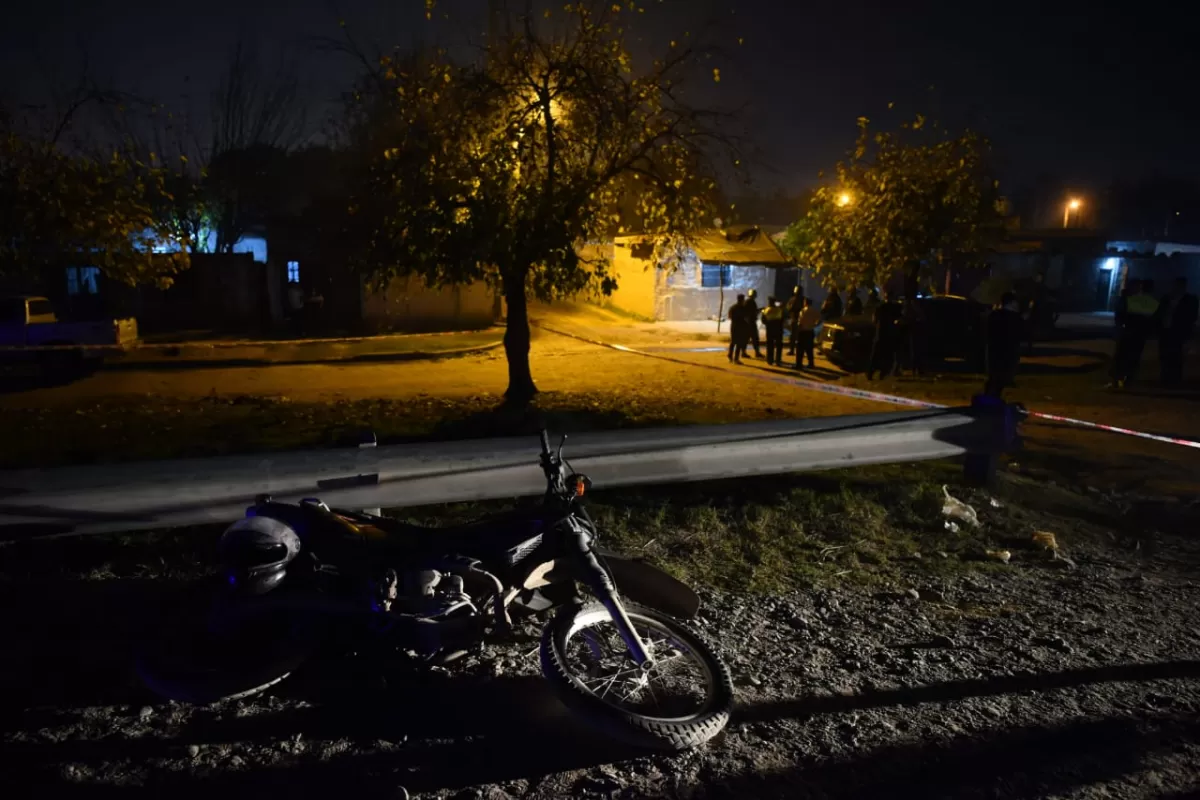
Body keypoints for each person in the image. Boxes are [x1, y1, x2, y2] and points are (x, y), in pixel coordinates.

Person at [1110, 279, 1159, 388]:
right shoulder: (1146, 301)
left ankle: (1120, 378)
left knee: (1125, 356)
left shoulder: (1130, 300)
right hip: (1135, 333)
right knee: (1129, 357)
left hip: (1132, 333)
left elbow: (1120, 316)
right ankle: (1124, 379)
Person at [1158, 277, 1199, 387]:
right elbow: (1160, 313)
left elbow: (1191, 316)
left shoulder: (1189, 300)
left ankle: (1174, 380)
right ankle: (1165, 379)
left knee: (1176, 357)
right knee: (1165, 356)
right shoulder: (1167, 298)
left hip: (1178, 332)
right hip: (1166, 331)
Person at [984, 292, 1024, 397]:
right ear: (1011, 303)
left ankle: (990, 400)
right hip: (1007, 355)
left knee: (995, 380)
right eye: (1015, 303)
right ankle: (993, 402)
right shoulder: (1014, 318)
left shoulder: (994, 315)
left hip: (994, 353)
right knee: (1000, 380)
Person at [866, 292, 902, 380]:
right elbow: (899, 319)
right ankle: (882, 373)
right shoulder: (895, 307)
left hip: (880, 333)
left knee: (876, 355)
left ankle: (871, 373)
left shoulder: (880, 307)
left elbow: (874, 319)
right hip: (889, 334)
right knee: (887, 355)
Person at [794, 296, 822, 369]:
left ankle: (799, 364)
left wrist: (798, 330)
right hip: (810, 331)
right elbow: (819, 319)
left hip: (803, 331)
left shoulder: (803, 311)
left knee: (800, 350)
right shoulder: (814, 311)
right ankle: (811, 364)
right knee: (809, 349)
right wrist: (814, 324)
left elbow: (800, 322)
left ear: (805, 303)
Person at [762, 296, 786, 366]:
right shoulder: (779, 310)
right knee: (779, 345)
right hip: (778, 329)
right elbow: (782, 320)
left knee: (770, 345)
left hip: (770, 329)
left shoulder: (766, 310)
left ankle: (770, 360)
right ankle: (778, 360)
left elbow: (763, 321)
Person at [727, 294, 749, 363]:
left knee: (733, 341)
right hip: (740, 326)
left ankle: (730, 355)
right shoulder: (743, 308)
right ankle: (736, 359)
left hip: (733, 326)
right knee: (739, 343)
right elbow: (746, 316)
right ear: (742, 300)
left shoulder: (732, 307)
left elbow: (729, 316)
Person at [785, 286, 805, 355]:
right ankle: (798, 351)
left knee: (794, 336)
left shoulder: (793, 299)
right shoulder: (802, 299)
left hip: (795, 319)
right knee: (799, 336)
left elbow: (789, 308)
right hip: (800, 320)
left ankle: (792, 350)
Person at [744, 289, 762, 358]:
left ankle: (744, 352)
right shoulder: (751, 302)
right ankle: (757, 353)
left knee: (746, 338)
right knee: (755, 338)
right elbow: (754, 312)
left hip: (748, 322)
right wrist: (760, 310)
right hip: (751, 322)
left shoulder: (747, 301)